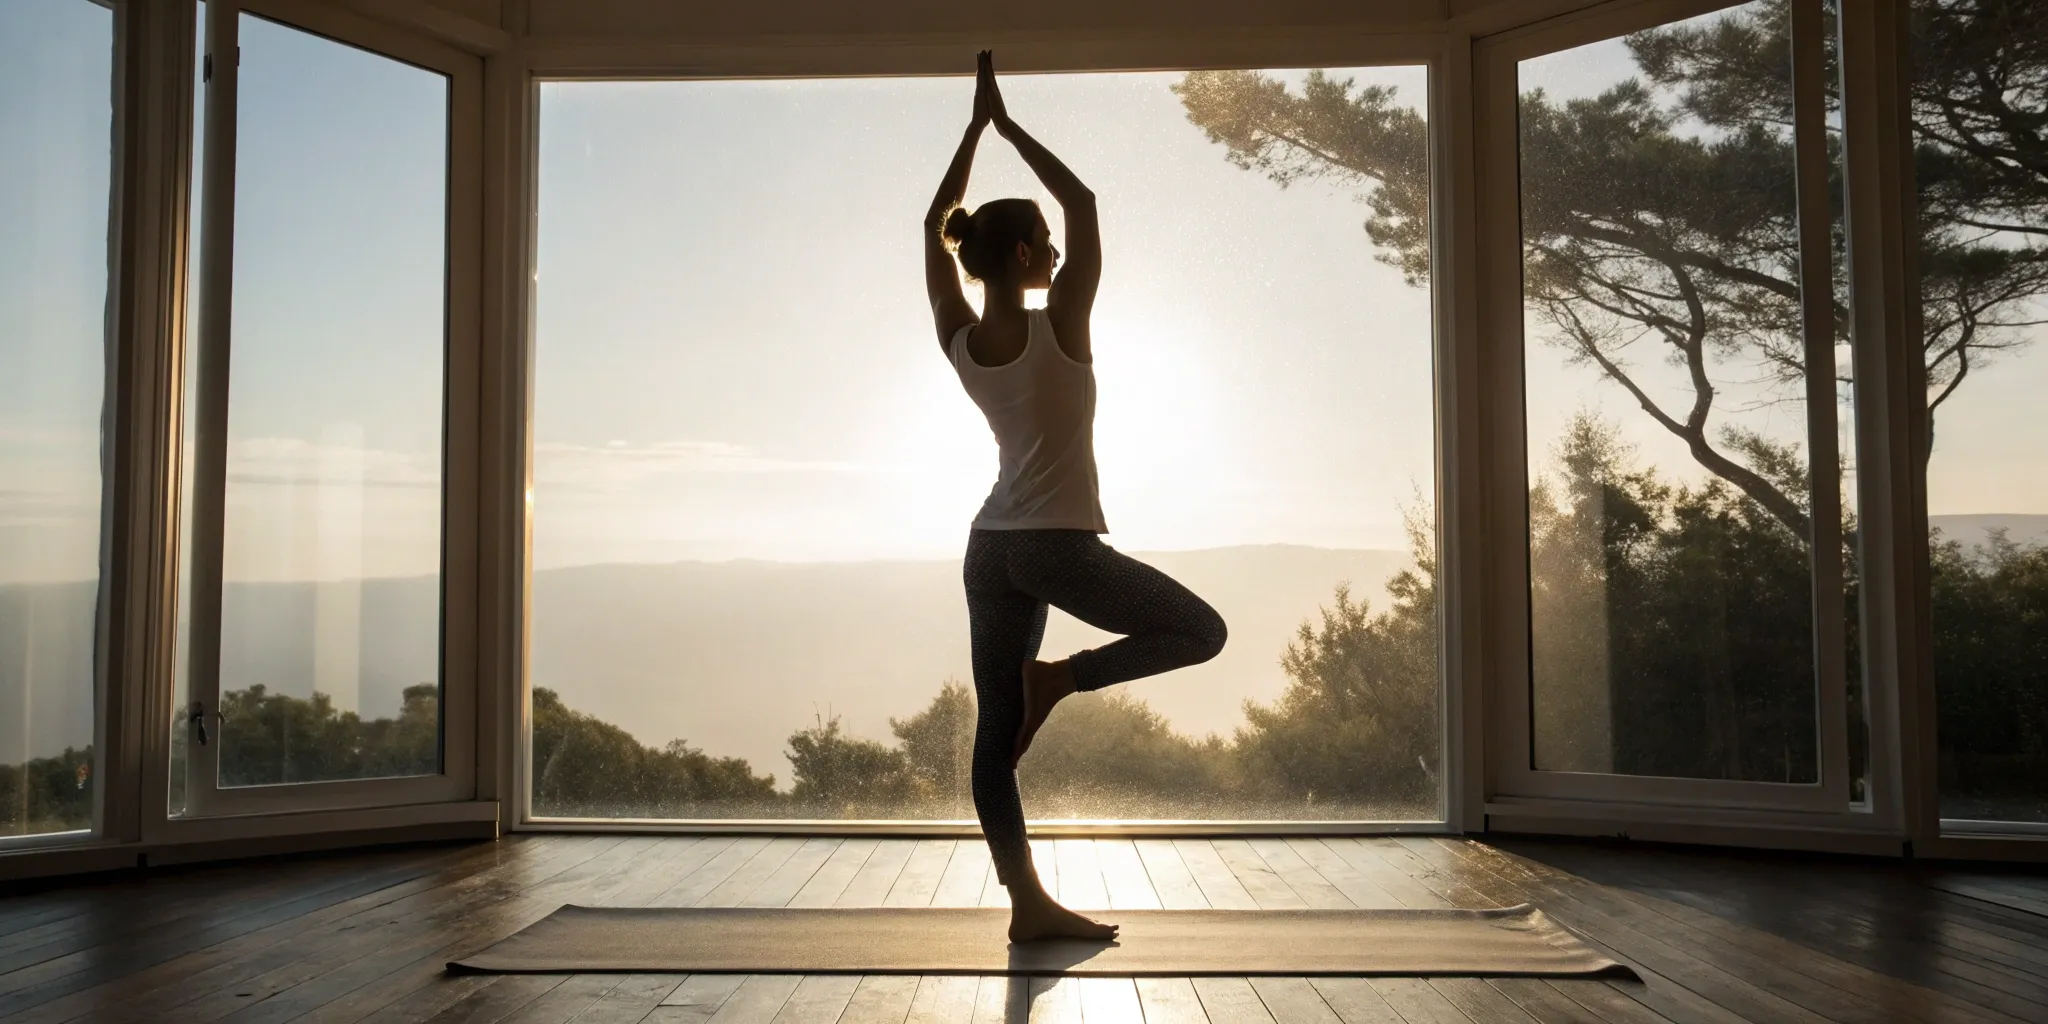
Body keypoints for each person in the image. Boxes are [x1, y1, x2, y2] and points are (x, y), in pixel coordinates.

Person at [923, 51, 1229, 943]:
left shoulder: (962, 339)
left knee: (994, 737)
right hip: (1057, 545)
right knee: (1199, 632)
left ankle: (1028, 909)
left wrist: (971, 137)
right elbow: (1085, 205)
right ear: (1024, 254)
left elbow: (929, 235)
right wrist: (1006, 126)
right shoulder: (1064, 321)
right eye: (1045, 249)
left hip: (989, 549)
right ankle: (1058, 677)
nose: (1058, 255)